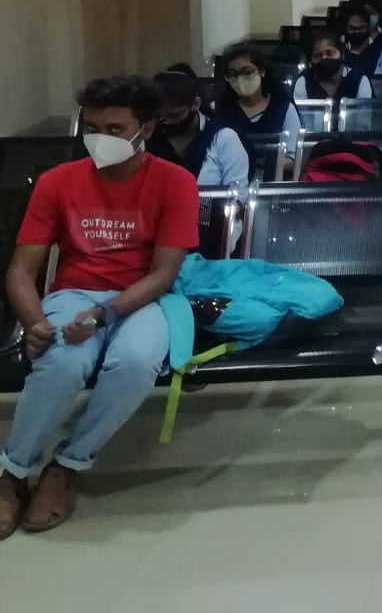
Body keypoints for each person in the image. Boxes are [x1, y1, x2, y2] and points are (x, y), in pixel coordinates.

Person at [1, 76, 199, 535]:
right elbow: (20, 269)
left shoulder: (175, 183)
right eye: (91, 127)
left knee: (135, 362)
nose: (98, 139)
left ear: (145, 130)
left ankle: (66, 466)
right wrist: (33, 323)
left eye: (113, 129)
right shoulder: (58, 182)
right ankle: (13, 473)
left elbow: (163, 274)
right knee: (62, 361)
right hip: (75, 291)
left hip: (144, 296)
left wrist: (105, 315)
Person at [147, 69, 249, 189]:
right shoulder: (149, 136)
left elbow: (238, 193)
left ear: (195, 104)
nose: (166, 122)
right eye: (159, 117)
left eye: (173, 116)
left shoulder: (223, 137)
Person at [211, 43, 301, 160]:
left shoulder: (284, 108)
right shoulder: (218, 109)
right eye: (233, 74)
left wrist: (266, 165)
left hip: (276, 176)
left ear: (261, 71)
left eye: (247, 72)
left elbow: (293, 158)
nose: (240, 79)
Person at [291, 34, 374, 102]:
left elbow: (363, 120)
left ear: (343, 55)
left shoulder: (359, 81)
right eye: (318, 55)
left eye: (329, 53)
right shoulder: (304, 82)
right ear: (311, 61)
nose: (324, 58)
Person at [342, 6, 382, 77]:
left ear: (369, 28)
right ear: (345, 29)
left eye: (361, 28)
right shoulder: (341, 55)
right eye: (352, 28)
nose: (357, 32)